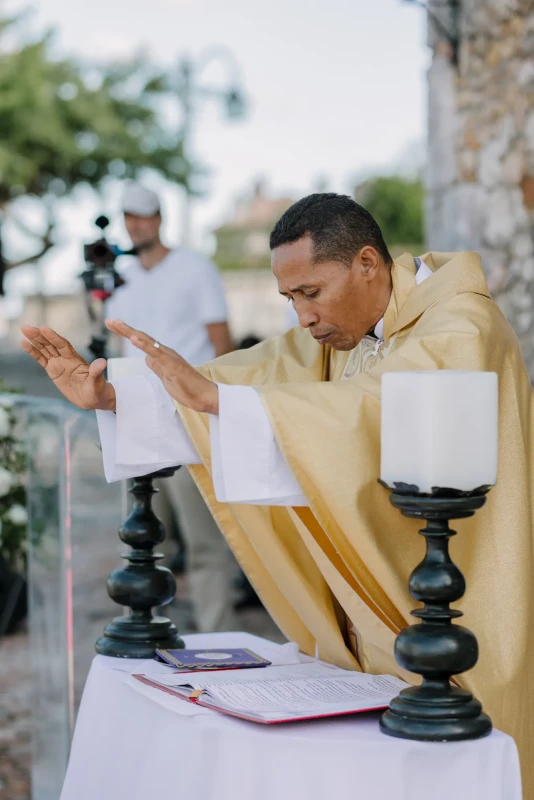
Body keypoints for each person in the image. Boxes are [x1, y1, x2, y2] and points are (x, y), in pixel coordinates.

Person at [21, 194, 534, 794]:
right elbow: (245, 374)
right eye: (290, 299)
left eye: (311, 293)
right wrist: (116, 396)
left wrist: (220, 404)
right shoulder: (336, 333)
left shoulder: (461, 325)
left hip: (464, 618)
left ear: (368, 263)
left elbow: (372, 407)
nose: (302, 318)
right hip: (369, 629)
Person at [105, 180, 238, 633]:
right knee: (142, 539)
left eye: (143, 216)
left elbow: (222, 344)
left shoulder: (195, 268)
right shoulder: (120, 280)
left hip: (187, 419)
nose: (136, 224)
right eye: (129, 217)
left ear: (159, 219)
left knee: (204, 540)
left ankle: (217, 637)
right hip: (139, 420)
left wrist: (217, 410)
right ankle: (145, 634)